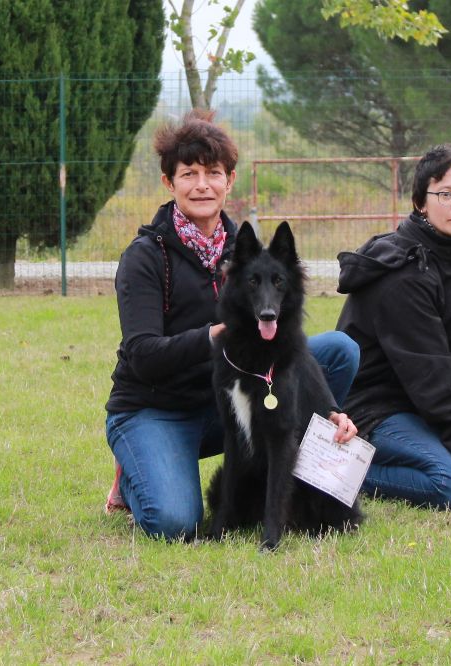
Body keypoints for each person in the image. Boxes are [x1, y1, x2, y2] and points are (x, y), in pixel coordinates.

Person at [104, 109, 361, 541]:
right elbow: (143, 354)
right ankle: (136, 473)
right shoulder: (146, 257)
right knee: (175, 522)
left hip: (225, 397)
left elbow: (292, 351)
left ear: (230, 180)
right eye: (189, 174)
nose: (202, 184)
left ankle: (298, 475)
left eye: (213, 173)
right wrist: (214, 336)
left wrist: (331, 407)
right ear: (169, 183)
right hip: (158, 407)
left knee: (337, 348)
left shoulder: (245, 254)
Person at [335, 144, 451, 508]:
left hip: (415, 394)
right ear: (421, 201)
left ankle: (432, 440)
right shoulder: (404, 273)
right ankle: (338, 463)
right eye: (446, 194)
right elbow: (433, 383)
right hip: (375, 408)